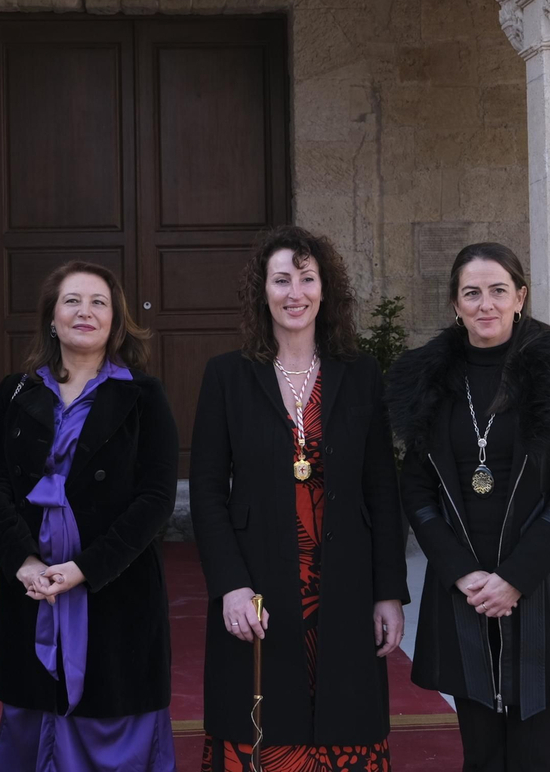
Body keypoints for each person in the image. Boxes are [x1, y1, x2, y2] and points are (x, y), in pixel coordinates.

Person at [385, 242, 550, 772]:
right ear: (455, 304)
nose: (485, 304)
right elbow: (416, 492)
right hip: (461, 584)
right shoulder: (426, 379)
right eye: (471, 293)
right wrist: (462, 573)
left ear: (520, 297)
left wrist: (513, 577)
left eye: (497, 291)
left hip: (538, 583)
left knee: (533, 753)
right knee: (481, 751)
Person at [190, 226, 409, 772]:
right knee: (261, 717)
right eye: (281, 279)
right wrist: (230, 586)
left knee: (346, 711)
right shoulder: (228, 375)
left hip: (346, 579)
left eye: (307, 279)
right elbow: (209, 492)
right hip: (258, 579)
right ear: (261, 291)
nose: (295, 293)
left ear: (324, 289)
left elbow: (382, 487)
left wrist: (389, 592)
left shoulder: (360, 375)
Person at [0, 261, 180, 771]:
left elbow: (155, 499)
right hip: (32, 588)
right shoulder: (16, 392)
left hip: (116, 592)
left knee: (113, 719)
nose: (84, 312)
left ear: (116, 320)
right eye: (72, 301)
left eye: (98, 302)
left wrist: (85, 568)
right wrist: (21, 560)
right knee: (33, 711)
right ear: (51, 317)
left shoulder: (144, 397)